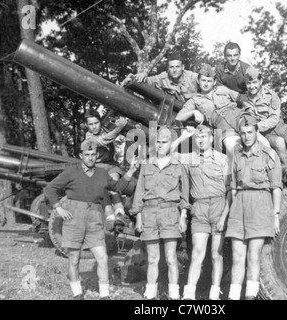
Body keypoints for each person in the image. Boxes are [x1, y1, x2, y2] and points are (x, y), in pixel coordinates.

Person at [44, 139, 138, 300]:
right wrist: (59, 208)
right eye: (87, 154)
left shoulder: (102, 174)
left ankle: (104, 295)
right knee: (74, 258)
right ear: (81, 155)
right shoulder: (71, 172)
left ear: (97, 156)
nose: (90, 157)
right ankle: (77, 293)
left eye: (93, 154)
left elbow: (118, 188)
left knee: (102, 257)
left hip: (94, 218)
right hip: (74, 218)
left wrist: (130, 171)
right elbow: (50, 188)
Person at [130, 126, 190, 300]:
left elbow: (184, 195)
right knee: (152, 258)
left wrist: (183, 216)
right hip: (149, 213)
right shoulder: (147, 165)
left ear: (170, 143)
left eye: (165, 142)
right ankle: (150, 295)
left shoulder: (179, 165)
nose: (161, 145)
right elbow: (139, 193)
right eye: (158, 142)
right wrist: (138, 216)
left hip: (170, 213)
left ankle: (174, 294)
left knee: (171, 258)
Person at [225, 115, 282, 300]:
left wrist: (275, 215)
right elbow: (233, 186)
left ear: (257, 132)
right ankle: (233, 298)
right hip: (239, 204)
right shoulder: (236, 154)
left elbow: (276, 187)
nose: (246, 136)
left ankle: (250, 297)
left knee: (253, 255)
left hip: (260, 205)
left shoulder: (269, 154)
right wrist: (232, 210)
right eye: (243, 133)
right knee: (237, 257)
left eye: (250, 132)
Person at [174, 125, 231, 300]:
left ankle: (215, 293)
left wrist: (224, 216)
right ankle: (188, 295)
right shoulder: (189, 158)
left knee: (216, 254)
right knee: (197, 253)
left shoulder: (222, 159)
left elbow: (229, 190)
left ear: (212, 139)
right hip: (199, 208)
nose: (201, 140)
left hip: (219, 206)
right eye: (198, 137)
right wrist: (184, 136)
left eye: (205, 136)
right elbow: (166, 153)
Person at [175, 64, 269, 168]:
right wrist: (193, 112)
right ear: (198, 81)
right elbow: (179, 117)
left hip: (238, 116)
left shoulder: (223, 89)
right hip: (222, 126)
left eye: (209, 81)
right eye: (203, 80)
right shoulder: (195, 100)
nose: (206, 84)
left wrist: (252, 111)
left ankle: (270, 168)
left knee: (261, 142)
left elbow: (242, 98)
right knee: (233, 149)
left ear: (214, 82)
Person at [241, 67, 287, 193]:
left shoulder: (271, 95)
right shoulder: (242, 99)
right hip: (265, 134)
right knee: (279, 143)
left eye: (254, 82)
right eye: (248, 83)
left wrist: (257, 126)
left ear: (261, 81)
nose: (251, 86)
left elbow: (274, 119)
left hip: (280, 126)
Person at [84, 109, 128, 224]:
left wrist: (119, 122)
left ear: (100, 122)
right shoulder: (89, 137)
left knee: (114, 184)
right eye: (90, 124)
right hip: (97, 167)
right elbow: (102, 141)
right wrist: (118, 129)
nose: (94, 127)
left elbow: (111, 130)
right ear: (87, 125)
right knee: (103, 187)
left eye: (96, 123)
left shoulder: (105, 129)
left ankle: (120, 213)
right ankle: (109, 215)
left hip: (111, 165)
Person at [132, 53, 199, 102]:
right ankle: (150, 122)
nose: (174, 70)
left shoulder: (193, 78)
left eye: (177, 67)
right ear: (168, 68)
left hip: (194, 114)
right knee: (151, 116)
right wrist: (143, 74)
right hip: (172, 113)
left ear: (183, 67)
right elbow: (149, 81)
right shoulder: (163, 77)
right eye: (171, 67)